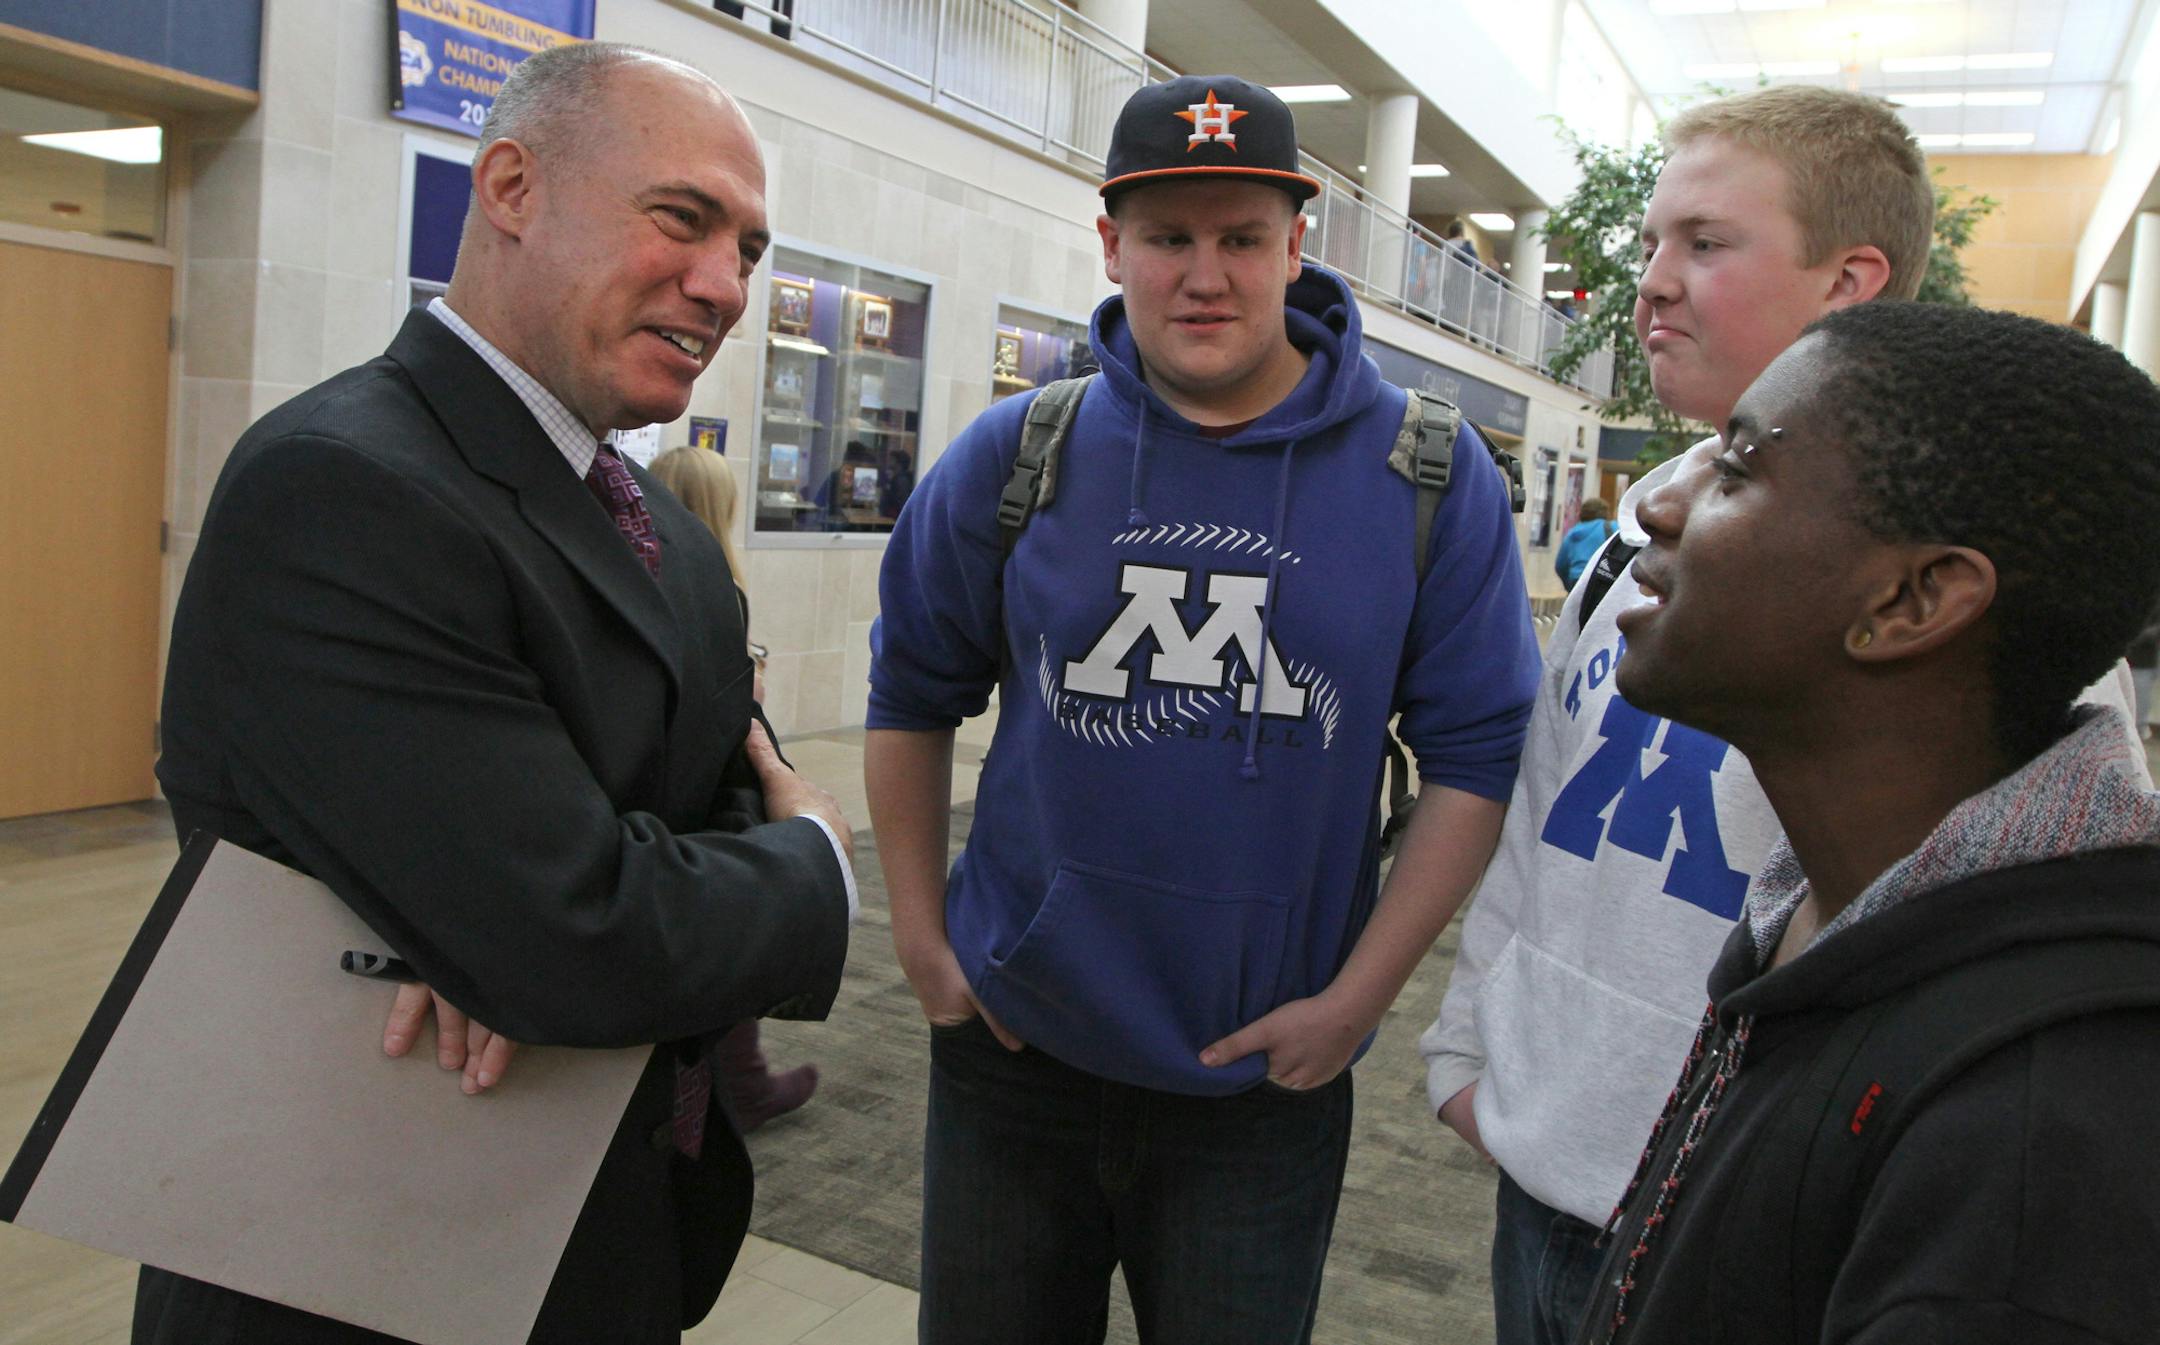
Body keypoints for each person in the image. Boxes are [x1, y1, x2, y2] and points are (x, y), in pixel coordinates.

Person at [146, 43, 854, 1345]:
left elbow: (662, 847)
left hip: (603, 1240)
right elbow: (580, 932)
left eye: (749, 251)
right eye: (682, 219)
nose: (724, 286)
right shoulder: (343, 487)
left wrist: (513, 921)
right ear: (514, 188)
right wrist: (813, 858)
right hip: (344, 1260)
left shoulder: (672, 541)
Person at [1418, 84, 2149, 1345]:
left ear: (1850, 281)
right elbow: (1546, 821)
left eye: (1706, 242)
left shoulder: (2013, 633)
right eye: (1652, 240)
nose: (1651, 282)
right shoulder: (1637, 547)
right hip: (1554, 1169)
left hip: (1783, 1208)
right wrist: (1473, 1048)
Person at [865, 73, 1541, 1343]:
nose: (1205, 276)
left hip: (1261, 1089)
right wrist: (918, 934)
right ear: (1111, 243)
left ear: (1298, 244)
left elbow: (1477, 754)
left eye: (1241, 237)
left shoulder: (1428, 476)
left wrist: (1360, 1000)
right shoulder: (1019, 452)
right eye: (1168, 237)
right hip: (1016, 1059)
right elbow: (909, 688)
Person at [1578, 300, 2160, 1343]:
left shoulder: (2038, 1145)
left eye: (1737, 467)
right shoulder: (1828, 910)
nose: (1659, 504)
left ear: (1911, 601)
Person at [651, 444, 822, 1132]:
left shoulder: (633, 570)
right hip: (708, 789)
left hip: (659, 792)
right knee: (730, 930)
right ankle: (741, 1083)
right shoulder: (718, 587)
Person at [1552, 496, 1614, 591]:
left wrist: (1570, 587)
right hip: (1601, 579)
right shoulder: (1612, 528)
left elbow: (1560, 566)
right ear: (1605, 513)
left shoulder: (1572, 533)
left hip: (1577, 579)